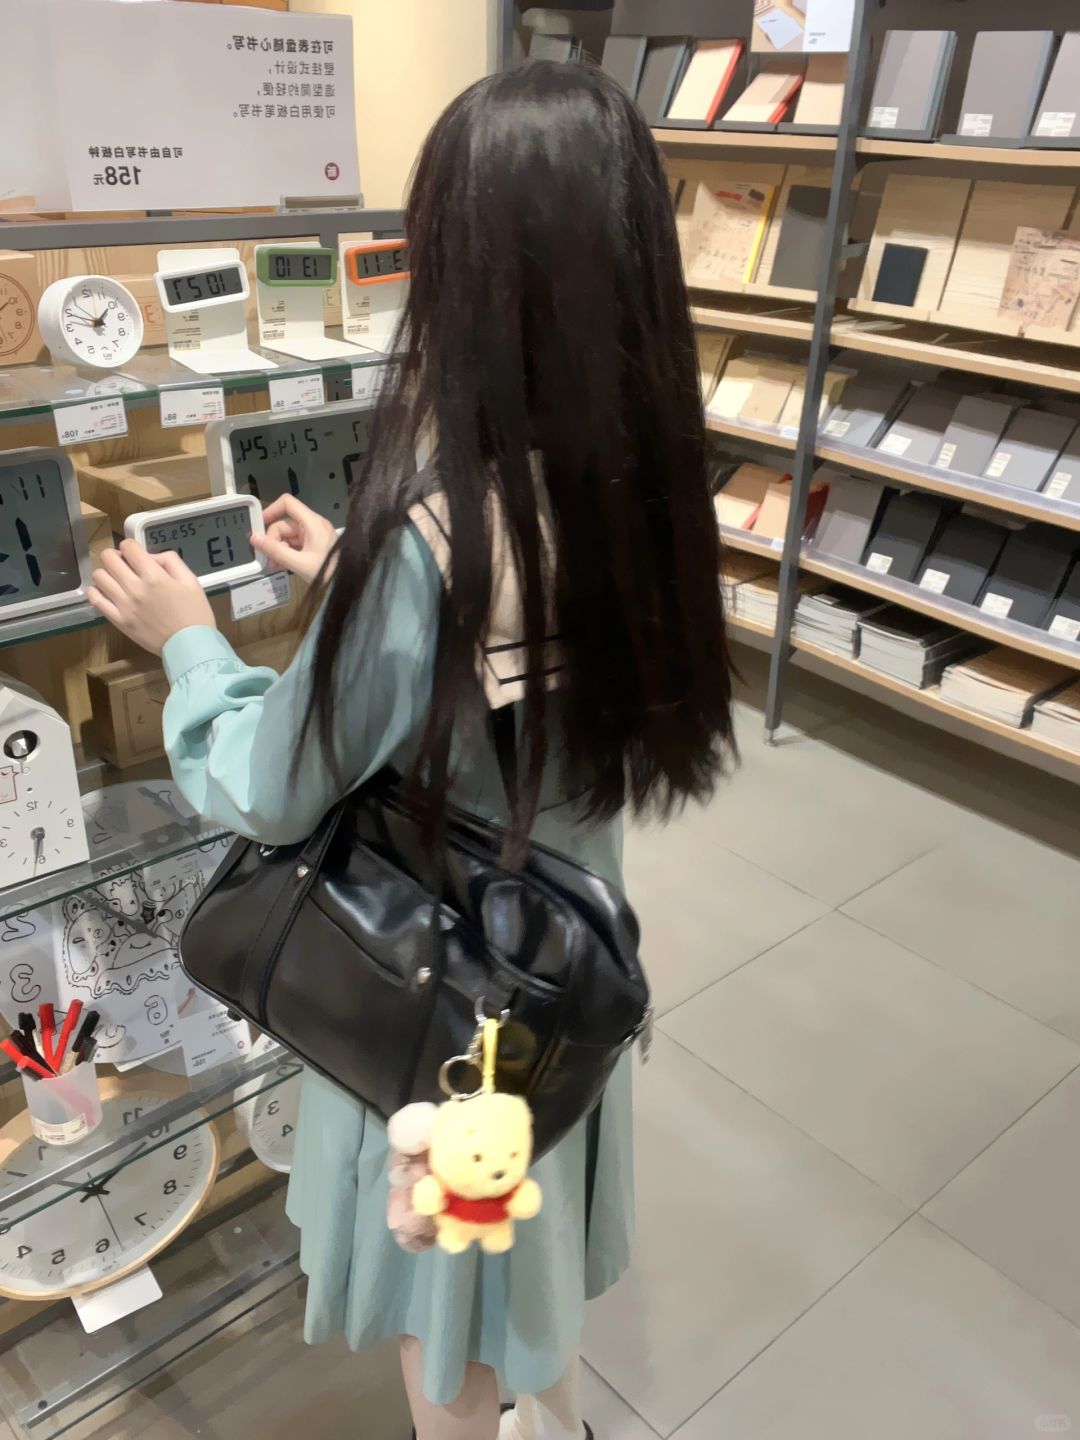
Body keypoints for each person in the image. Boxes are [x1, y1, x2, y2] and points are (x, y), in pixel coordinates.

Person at [87, 60, 735, 1440]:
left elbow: (271, 787)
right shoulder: (645, 488)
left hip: (444, 1009)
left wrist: (190, 644)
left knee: (448, 1326)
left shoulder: (434, 537)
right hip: (567, 970)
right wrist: (356, 578)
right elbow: (513, 679)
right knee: (522, 1267)